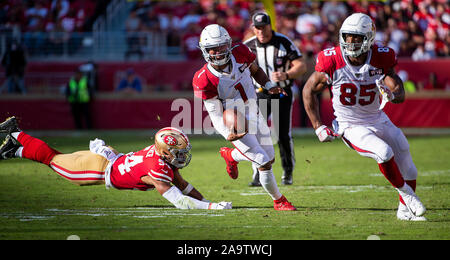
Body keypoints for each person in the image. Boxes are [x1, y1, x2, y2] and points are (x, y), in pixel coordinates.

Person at [302, 13, 426, 221]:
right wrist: (318, 126)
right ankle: (408, 195)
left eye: (356, 37)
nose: (350, 42)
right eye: (348, 36)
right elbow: (308, 90)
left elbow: (398, 89)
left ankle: (404, 211)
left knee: (406, 158)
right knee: (384, 152)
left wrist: (392, 95)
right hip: (350, 125)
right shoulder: (331, 59)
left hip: (377, 118)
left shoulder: (381, 56)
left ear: (368, 38)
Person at [0, 116, 231, 210]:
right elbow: (181, 202)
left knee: (56, 157)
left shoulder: (161, 158)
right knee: (51, 158)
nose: (180, 156)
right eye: (176, 152)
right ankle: (17, 134)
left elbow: (182, 185)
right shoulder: (157, 166)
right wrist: (211, 208)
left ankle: (14, 150)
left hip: (106, 160)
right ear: (164, 151)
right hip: (97, 170)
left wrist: (210, 202)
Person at [192, 24, 296, 211]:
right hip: (234, 119)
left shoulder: (240, 52)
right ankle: (279, 201)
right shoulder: (203, 78)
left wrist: (269, 85)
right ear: (205, 51)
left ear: (229, 44)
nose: (218, 52)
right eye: (212, 49)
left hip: (254, 110)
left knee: (270, 158)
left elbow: (256, 71)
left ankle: (231, 155)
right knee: (262, 161)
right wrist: (227, 133)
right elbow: (215, 114)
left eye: (222, 46)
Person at [244, 12, 307, 186]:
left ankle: (287, 172)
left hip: (282, 92)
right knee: (257, 134)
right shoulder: (248, 46)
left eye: (264, 27)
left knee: (282, 134)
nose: (261, 31)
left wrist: (286, 74)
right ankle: (258, 172)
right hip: (260, 93)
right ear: (253, 28)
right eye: (257, 28)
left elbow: (301, 65)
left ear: (270, 25)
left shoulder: (283, 42)